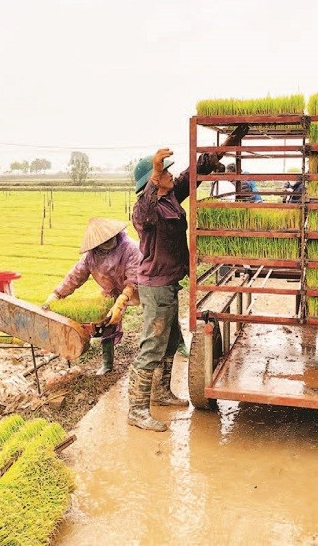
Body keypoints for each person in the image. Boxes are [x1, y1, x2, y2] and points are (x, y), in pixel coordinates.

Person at [129, 126, 248, 432]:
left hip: (169, 282)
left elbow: (192, 171)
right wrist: (155, 174)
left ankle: (161, 392)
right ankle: (137, 410)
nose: (170, 174)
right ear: (151, 182)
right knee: (152, 344)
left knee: (169, 341)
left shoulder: (170, 197)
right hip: (154, 286)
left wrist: (226, 146)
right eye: (163, 173)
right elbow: (143, 214)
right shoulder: (147, 208)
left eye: (167, 172)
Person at [42, 217, 140, 375]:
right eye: (103, 241)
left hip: (141, 287)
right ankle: (108, 364)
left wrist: (122, 301)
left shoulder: (130, 248)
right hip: (112, 292)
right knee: (107, 322)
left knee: (158, 317)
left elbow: (133, 279)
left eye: (109, 238)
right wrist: (56, 295)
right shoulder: (91, 257)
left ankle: (177, 344)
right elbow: (75, 277)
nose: (108, 242)